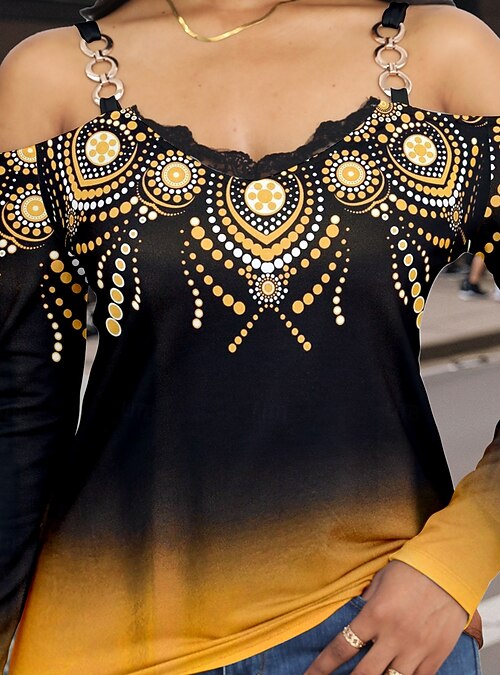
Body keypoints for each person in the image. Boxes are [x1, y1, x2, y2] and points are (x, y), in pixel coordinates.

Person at [0, 1, 498, 674]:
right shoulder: (52, 76)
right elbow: (18, 410)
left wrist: (453, 562)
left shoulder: (442, 56)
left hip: (378, 632)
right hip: (104, 638)